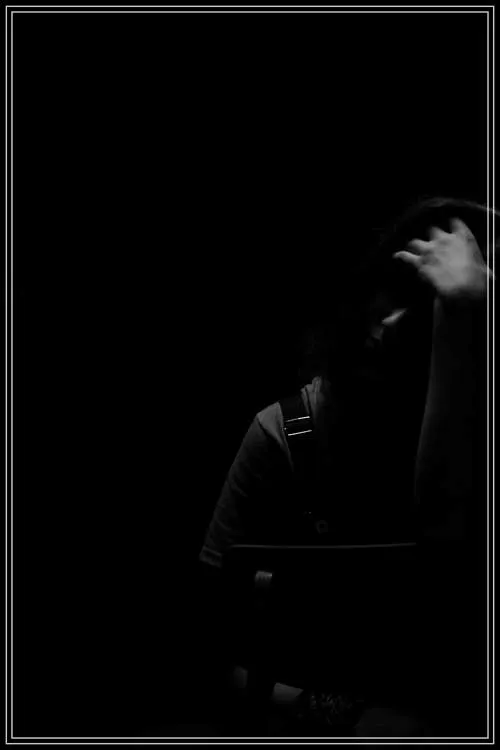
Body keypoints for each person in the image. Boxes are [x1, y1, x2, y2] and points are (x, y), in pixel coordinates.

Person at [197, 197, 494, 735]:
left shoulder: (479, 439)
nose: (395, 324)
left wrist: (463, 310)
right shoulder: (281, 436)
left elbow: (444, 548)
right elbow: (203, 650)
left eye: (431, 306)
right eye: (396, 289)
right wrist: (342, 715)